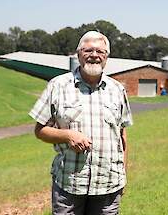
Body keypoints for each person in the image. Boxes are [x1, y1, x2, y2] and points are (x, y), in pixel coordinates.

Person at [29, 31, 133, 215]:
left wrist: (123, 175)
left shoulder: (117, 90)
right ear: (78, 55)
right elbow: (40, 130)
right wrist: (67, 135)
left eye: (100, 51)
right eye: (88, 50)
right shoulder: (58, 86)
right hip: (70, 185)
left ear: (107, 57)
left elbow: (122, 137)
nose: (94, 55)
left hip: (108, 185)